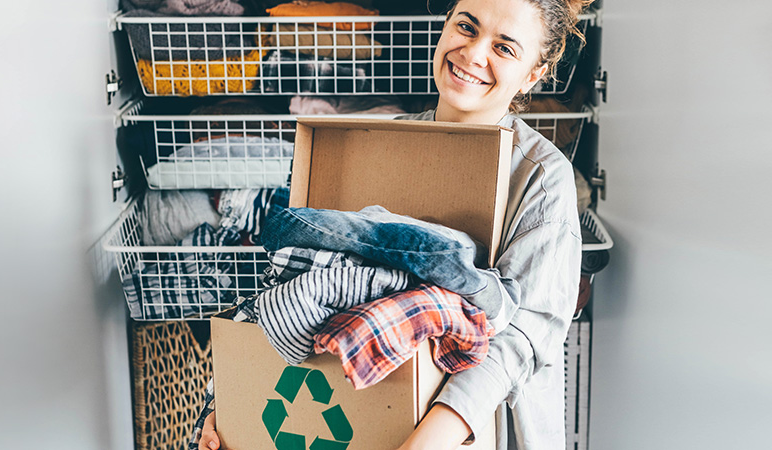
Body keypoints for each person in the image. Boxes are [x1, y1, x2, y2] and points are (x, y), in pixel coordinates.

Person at [194, 0, 587, 448]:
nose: (474, 54)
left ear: (533, 73)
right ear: (444, 27)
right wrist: (225, 409)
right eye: (466, 26)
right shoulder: (372, 143)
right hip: (360, 415)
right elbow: (293, 285)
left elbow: (518, 340)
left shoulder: (540, 177)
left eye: (504, 47)